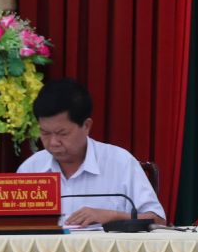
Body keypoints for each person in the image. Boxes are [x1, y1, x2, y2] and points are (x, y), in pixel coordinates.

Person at [17, 77, 165, 225]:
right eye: (45, 133)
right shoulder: (31, 168)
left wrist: (112, 216)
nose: (53, 143)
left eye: (62, 133)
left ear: (87, 126)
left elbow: (158, 220)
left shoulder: (120, 163)